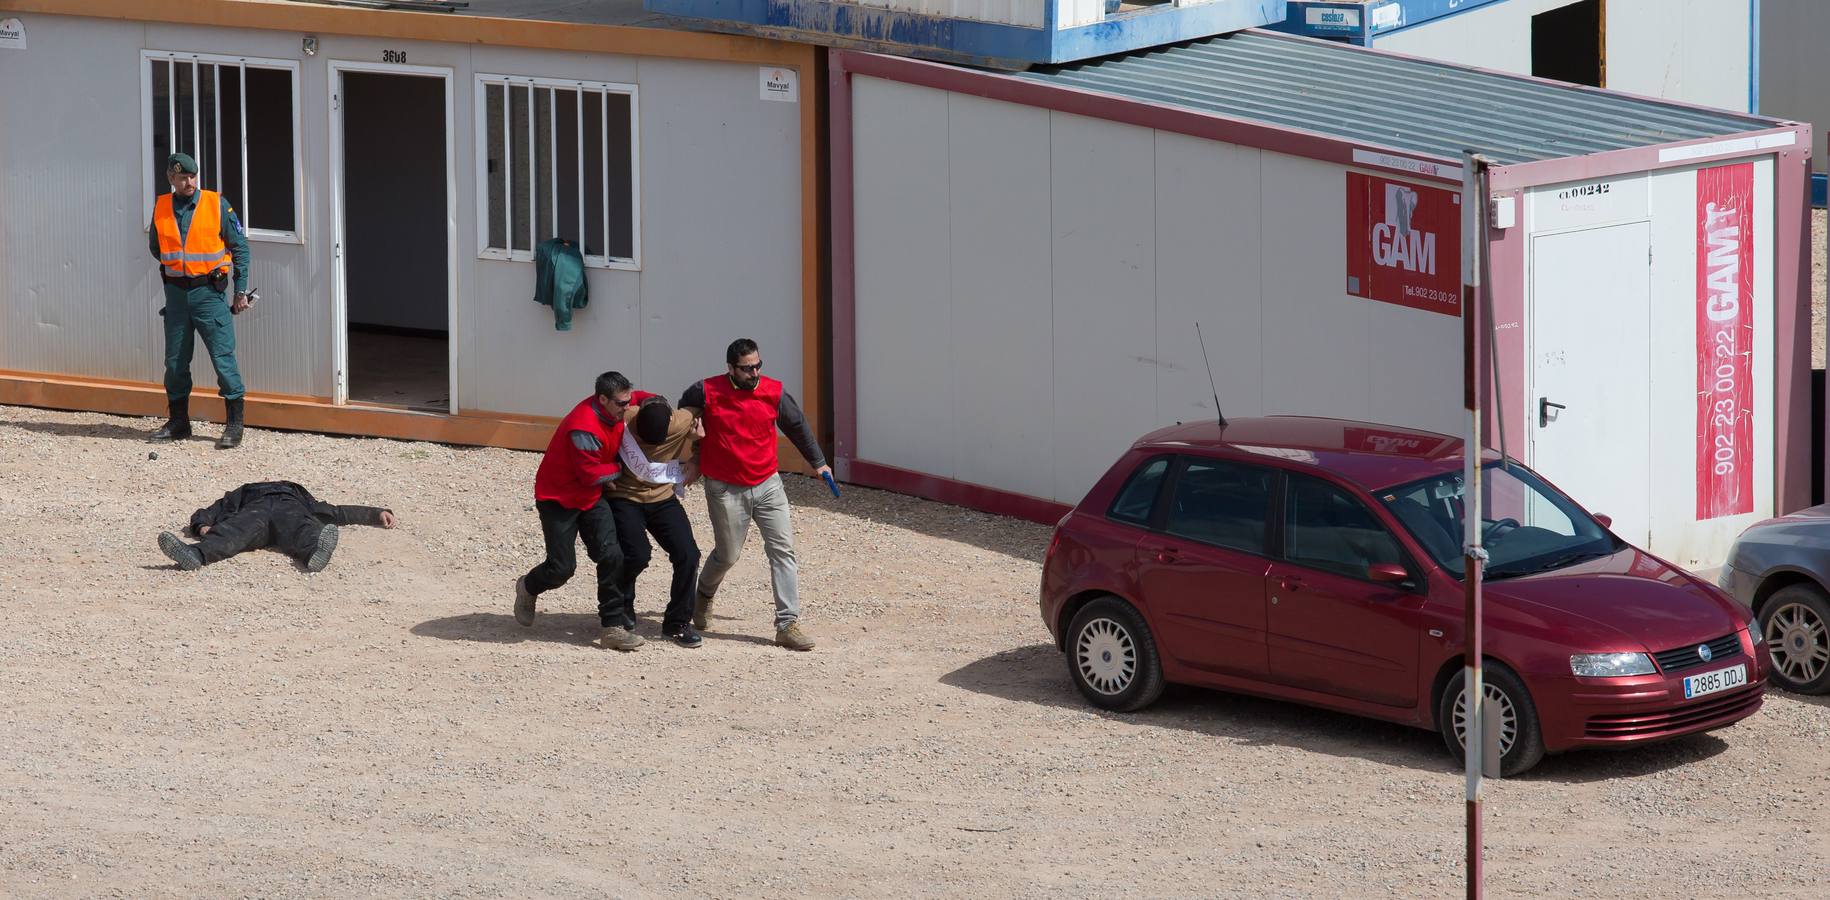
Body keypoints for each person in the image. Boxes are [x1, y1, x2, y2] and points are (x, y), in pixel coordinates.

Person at [679, 338, 829, 651]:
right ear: (730, 368)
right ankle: (703, 596)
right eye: (747, 368)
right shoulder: (704, 391)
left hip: (768, 484)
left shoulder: (773, 391)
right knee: (728, 554)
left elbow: (797, 425)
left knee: (783, 551)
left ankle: (787, 623)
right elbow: (685, 423)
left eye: (758, 365)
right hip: (724, 487)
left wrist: (818, 462)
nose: (754, 372)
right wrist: (693, 458)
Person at [515, 371, 653, 651]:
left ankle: (612, 626)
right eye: (621, 404)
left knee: (612, 555)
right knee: (561, 569)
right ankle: (528, 587)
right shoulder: (583, 427)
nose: (627, 408)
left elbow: (640, 397)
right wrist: (622, 468)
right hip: (558, 498)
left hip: (590, 498)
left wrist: (656, 403)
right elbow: (590, 474)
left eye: (628, 401)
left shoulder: (615, 403)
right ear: (602, 399)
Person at [147, 152, 254, 449]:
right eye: (182, 177)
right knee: (175, 361)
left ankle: (235, 425)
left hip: (209, 294)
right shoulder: (162, 206)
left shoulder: (216, 204)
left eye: (193, 176)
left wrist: (240, 290)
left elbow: (240, 248)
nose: (189, 182)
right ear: (171, 178)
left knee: (223, 358)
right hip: (177, 295)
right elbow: (156, 247)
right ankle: (179, 423)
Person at [605, 396, 706, 648]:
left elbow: (702, 400)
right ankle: (624, 605)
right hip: (624, 496)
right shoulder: (624, 418)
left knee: (688, 554)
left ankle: (677, 623)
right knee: (636, 554)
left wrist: (696, 457)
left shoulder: (681, 420)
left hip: (662, 497)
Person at [157, 481, 395, 572]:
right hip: (256, 510)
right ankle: (193, 554)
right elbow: (211, 511)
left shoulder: (298, 498)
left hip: (286, 509)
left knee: (303, 529)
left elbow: (338, 511)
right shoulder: (243, 494)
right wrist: (202, 526)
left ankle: (316, 552)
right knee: (233, 533)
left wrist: (377, 514)